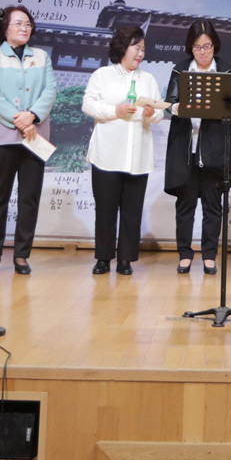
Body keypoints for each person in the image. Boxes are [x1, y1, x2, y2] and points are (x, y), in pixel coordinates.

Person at [0, 3, 55, 275]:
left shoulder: (42, 56)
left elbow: (50, 91)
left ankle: (22, 255)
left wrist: (31, 116)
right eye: (18, 23)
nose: (25, 28)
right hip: (3, 135)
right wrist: (18, 120)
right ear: (5, 28)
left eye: (28, 24)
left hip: (35, 135)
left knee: (29, 199)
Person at [82, 23, 164, 275]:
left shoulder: (148, 79)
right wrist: (114, 111)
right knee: (105, 210)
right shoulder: (102, 75)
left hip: (137, 156)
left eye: (143, 49)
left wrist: (151, 114)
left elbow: (159, 114)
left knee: (132, 211)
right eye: (136, 48)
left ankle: (126, 258)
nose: (141, 53)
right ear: (122, 48)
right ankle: (103, 258)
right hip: (107, 153)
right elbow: (88, 105)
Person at [164, 19, 231, 275]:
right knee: (185, 206)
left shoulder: (226, 70)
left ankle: (209, 255)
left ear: (214, 45)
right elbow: (169, 102)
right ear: (190, 48)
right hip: (186, 146)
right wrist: (177, 107)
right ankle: (185, 254)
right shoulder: (181, 69)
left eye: (207, 46)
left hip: (214, 147)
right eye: (197, 47)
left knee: (212, 205)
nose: (202, 52)